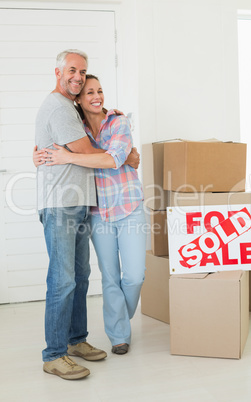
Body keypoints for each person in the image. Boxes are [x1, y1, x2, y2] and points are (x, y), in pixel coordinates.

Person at [37, 74, 147, 356]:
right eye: (89, 93)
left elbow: (113, 158)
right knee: (109, 276)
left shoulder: (119, 121)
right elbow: (47, 146)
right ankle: (119, 335)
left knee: (134, 276)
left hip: (129, 206)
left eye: (99, 91)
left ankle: (121, 314)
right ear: (79, 99)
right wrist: (38, 155)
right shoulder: (76, 128)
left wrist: (69, 157)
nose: (96, 96)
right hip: (97, 212)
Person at [35, 49, 109, 381]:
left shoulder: (71, 107)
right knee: (63, 280)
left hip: (78, 202)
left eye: (83, 71)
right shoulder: (58, 106)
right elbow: (87, 151)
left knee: (80, 276)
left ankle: (76, 341)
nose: (78, 77)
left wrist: (109, 115)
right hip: (60, 204)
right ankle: (54, 354)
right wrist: (117, 151)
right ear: (58, 72)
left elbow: (58, 148)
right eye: (73, 70)